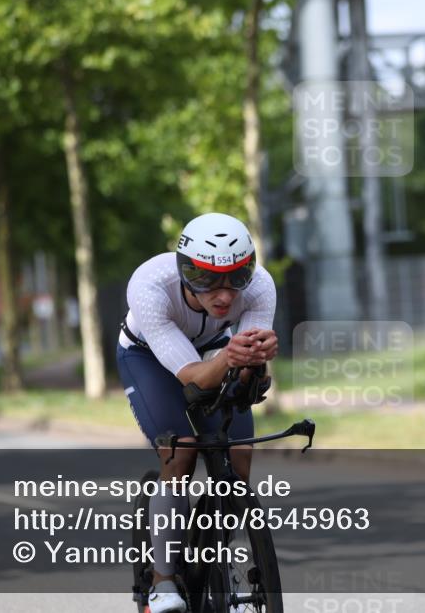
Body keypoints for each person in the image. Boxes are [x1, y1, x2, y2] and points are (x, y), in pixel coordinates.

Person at [116, 212, 278, 613]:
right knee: (182, 450)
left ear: (250, 271)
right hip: (149, 356)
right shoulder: (150, 286)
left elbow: (241, 379)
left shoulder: (261, 288)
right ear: (185, 271)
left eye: (236, 278)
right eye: (207, 279)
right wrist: (231, 358)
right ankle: (163, 581)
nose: (224, 295)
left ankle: (216, 570)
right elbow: (193, 381)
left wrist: (254, 367)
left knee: (237, 459)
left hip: (213, 350)